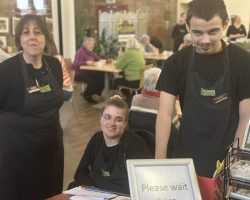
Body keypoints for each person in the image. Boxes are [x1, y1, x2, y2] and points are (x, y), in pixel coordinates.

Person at [155, 0, 250, 178]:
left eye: (213, 31)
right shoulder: (176, 63)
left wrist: (235, 162)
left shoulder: (243, 62)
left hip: (226, 156)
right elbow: (164, 114)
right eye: (197, 33)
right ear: (187, 27)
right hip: (186, 157)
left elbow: (246, 116)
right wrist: (159, 162)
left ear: (225, 24)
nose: (205, 40)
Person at [0, 14, 64, 199]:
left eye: (38, 32)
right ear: (20, 39)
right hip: (17, 155)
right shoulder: (6, 71)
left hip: (51, 149)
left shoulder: (54, 65)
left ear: (46, 37)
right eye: (26, 32)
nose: (32, 37)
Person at [68, 91, 152, 194]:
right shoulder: (97, 139)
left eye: (118, 120)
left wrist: (97, 182)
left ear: (125, 123)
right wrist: (99, 191)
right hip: (95, 194)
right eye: (107, 117)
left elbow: (143, 186)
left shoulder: (136, 145)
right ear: (100, 118)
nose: (112, 123)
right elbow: (80, 174)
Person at [130, 67, 179, 157]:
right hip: (163, 150)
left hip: (139, 146)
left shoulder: (135, 99)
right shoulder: (166, 105)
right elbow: (177, 130)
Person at [72, 37, 104, 103]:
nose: (92, 45)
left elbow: (98, 58)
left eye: (93, 44)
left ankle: (95, 94)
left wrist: (106, 60)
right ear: (85, 44)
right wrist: (85, 62)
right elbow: (75, 64)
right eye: (90, 44)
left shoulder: (91, 52)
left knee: (102, 77)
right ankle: (87, 95)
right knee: (92, 81)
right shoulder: (80, 51)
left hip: (87, 72)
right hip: (78, 74)